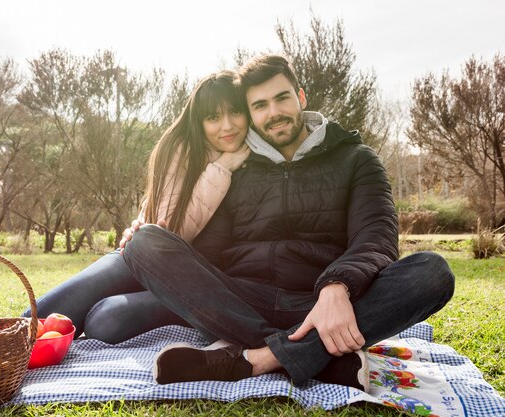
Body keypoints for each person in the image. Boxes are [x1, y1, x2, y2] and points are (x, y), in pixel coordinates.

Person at [122, 54, 455, 391]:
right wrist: (167, 257)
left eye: (282, 98)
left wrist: (336, 286)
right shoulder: (238, 167)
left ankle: (258, 359)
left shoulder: (356, 158)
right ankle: (314, 356)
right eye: (260, 105)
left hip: (321, 305)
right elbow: (211, 251)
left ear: (301, 97)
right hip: (240, 305)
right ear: (251, 114)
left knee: (432, 272)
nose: (274, 112)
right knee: (144, 242)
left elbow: (376, 238)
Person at [24, 71, 250, 343]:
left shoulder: (255, 161)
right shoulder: (183, 150)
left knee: (104, 321)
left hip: (189, 281)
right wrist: (221, 168)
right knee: (41, 316)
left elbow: (169, 240)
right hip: (141, 261)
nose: (227, 126)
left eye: (234, 112)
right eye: (213, 117)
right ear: (199, 122)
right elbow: (167, 230)